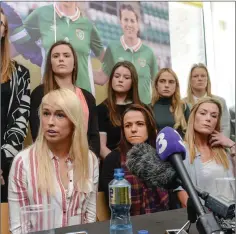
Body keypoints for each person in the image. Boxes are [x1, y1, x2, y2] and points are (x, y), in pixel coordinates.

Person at [8, 89, 99, 233]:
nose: (50, 122)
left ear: (74, 120)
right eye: (46, 113)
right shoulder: (23, 162)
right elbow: (19, 227)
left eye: (60, 115)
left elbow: (89, 218)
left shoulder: (89, 160)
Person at [6, 1, 104, 94]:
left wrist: (94, 75)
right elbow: (18, 44)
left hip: (84, 97)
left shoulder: (88, 25)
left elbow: (107, 60)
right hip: (51, 95)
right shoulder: (41, 15)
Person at [30, 40, 100, 157]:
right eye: (56, 56)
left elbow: (94, 135)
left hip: (82, 162)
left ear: (74, 63)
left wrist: (92, 161)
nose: (61, 59)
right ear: (50, 63)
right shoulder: (39, 93)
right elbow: (37, 133)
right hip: (48, 162)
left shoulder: (88, 97)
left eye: (66, 55)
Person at [101, 104, 169, 215]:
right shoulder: (113, 159)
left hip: (163, 219)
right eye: (128, 126)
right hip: (128, 223)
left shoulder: (162, 155)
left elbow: (172, 197)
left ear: (150, 127)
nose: (133, 130)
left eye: (140, 124)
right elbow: (113, 204)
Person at [176, 97, 235, 208]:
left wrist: (232, 145)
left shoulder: (225, 151)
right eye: (203, 113)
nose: (208, 119)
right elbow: (183, 195)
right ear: (193, 117)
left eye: (214, 116)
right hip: (208, 219)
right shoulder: (181, 152)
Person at [94, 4, 158, 104]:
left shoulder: (149, 52)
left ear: (138, 23)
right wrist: (81, 69)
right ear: (120, 22)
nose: (129, 24)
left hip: (144, 110)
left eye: (132, 20)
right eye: (125, 20)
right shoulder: (112, 48)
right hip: (120, 111)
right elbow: (102, 78)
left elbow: (156, 84)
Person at [1, 7, 30, 203]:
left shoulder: (21, 74)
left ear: (4, 31)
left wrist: (2, 160)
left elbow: (20, 121)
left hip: (5, 165)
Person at [97, 61, 142, 160]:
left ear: (133, 81)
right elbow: (101, 147)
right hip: (113, 167)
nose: (120, 80)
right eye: (117, 76)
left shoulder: (142, 109)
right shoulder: (101, 109)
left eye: (126, 77)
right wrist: (118, 164)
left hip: (139, 165)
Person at [183, 63, 230, 138]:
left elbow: (225, 128)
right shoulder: (182, 103)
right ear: (190, 80)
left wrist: (220, 144)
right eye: (195, 76)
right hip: (190, 145)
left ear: (207, 79)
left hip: (215, 144)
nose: (200, 79)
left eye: (203, 76)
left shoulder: (220, 101)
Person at [152, 68, 190, 138]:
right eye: (162, 81)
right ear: (156, 85)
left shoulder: (183, 107)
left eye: (171, 82)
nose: (166, 85)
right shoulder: (148, 108)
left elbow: (192, 134)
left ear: (176, 86)